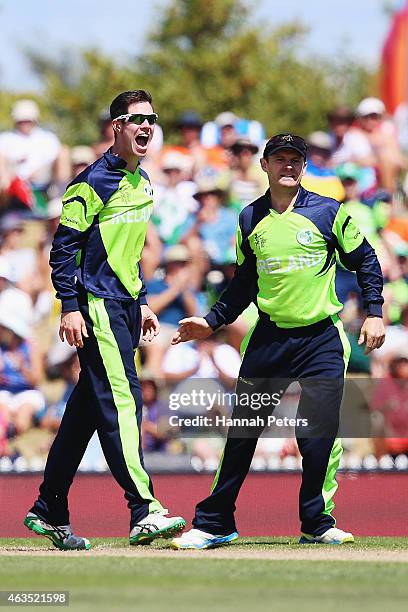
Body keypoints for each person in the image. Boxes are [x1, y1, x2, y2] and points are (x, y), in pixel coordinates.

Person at [170, 133, 385, 549]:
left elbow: (368, 260)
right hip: (268, 337)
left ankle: (316, 523)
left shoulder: (328, 212)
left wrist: (375, 312)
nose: (288, 166)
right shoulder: (249, 218)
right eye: (279, 159)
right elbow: (244, 282)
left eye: (295, 160)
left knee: (317, 434)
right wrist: (212, 321)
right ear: (264, 165)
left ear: (303, 167)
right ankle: (214, 523)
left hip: (321, 337)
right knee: (243, 433)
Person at [24, 90, 185, 551]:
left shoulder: (143, 182)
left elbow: (126, 253)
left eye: (152, 120)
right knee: (123, 402)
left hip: (123, 305)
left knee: (86, 412)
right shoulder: (91, 183)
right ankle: (144, 509)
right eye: (137, 120)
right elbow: (63, 250)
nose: (146, 127)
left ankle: (49, 508)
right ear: (116, 126)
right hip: (95, 306)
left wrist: (144, 301)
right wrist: (69, 306)